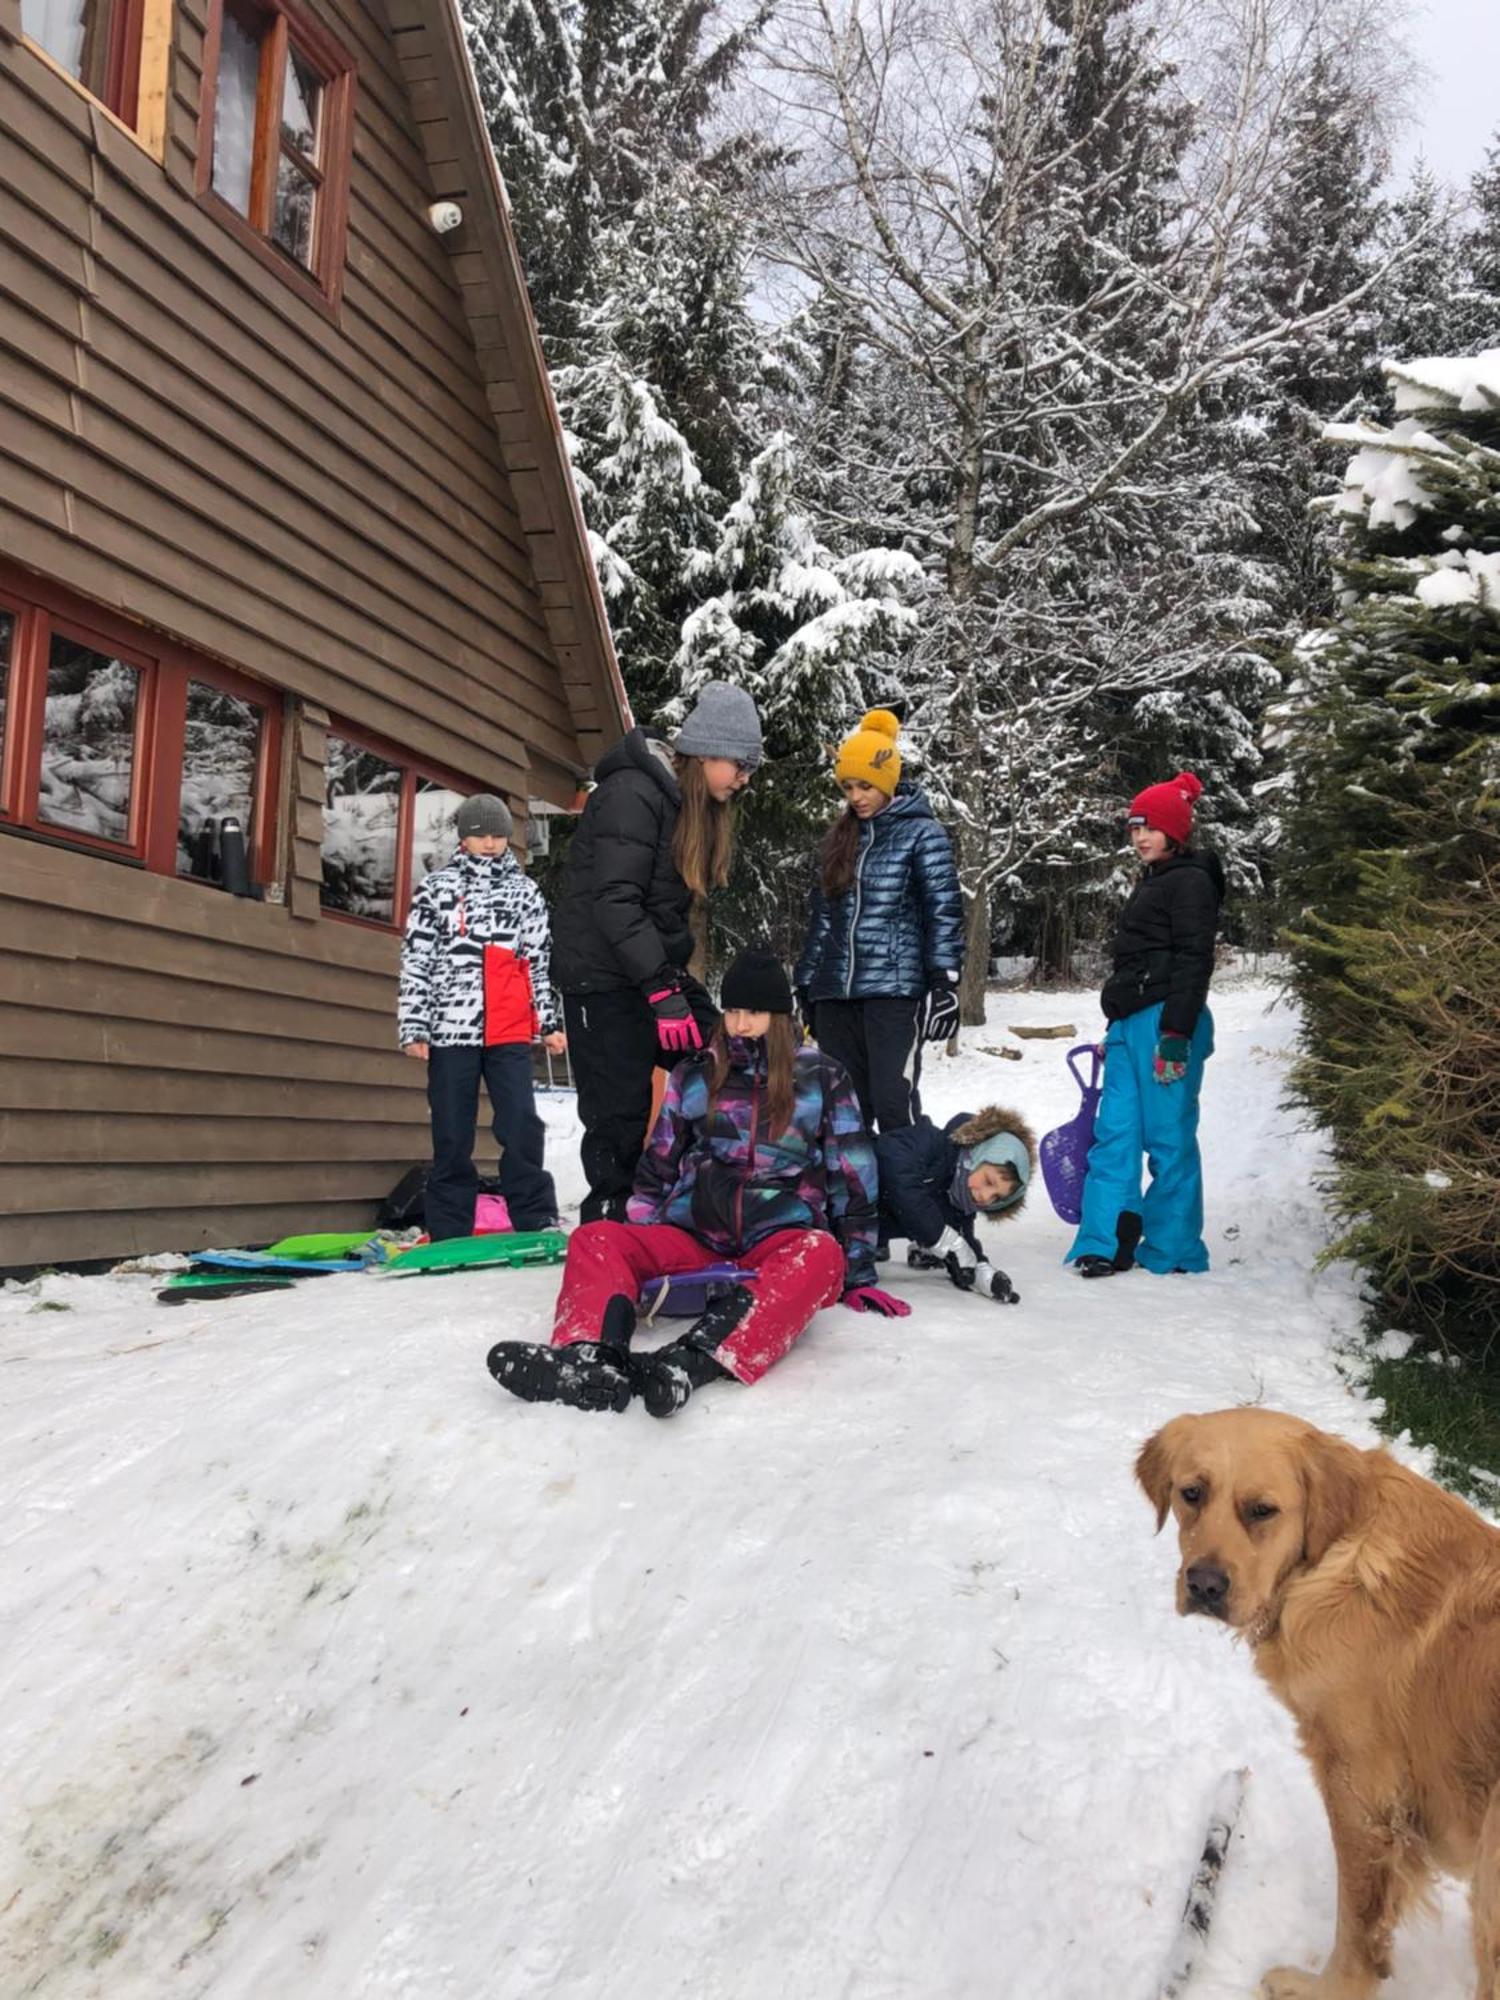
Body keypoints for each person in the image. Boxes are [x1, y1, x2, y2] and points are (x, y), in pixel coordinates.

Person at [485, 949, 908, 1419]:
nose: (741, 1024)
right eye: (732, 1012)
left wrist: (859, 1271)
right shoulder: (696, 1074)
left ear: (781, 1018)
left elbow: (853, 1176)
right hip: (697, 1234)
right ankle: (588, 1361)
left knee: (821, 1255)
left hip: (778, 1239)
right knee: (596, 1237)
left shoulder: (822, 1077)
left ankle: (694, 1361)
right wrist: (643, 1235)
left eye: (754, 1013)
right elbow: (660, 1161)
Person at [551, 682, 763, 1224]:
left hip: (648, 973)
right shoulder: (631, 794)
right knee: (618, 1115)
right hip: (600, 979)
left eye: (749, 769)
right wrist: (663, 991)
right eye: (738, 765)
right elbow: (615, 901)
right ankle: (608, 1225)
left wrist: (669, 987)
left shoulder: (680, 804)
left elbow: (659, 916)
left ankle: (713, 1194)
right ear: (706, 752)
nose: (743, 779)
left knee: (721, 1055)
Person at [1066, 771, 1224, 1279]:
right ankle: (1106, 1241)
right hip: (1130, 1026)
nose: (1139, 837)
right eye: (1135, 828)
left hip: (1167, 1025)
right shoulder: (1155, 880)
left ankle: (1172, 1247)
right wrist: (1117, 1029)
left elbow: (1194, 960)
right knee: (1114, 1133)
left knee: (1167, 1137)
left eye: (1150, 828)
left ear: (1176, 829)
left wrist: (1175, 1035)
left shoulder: (1194, 881)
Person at [398, 794, 567, 1240]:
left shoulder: (525, 892)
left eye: (497, 836)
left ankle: (535, 1216)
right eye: (480, 835)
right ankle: (449, 1225)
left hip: (508, 1027)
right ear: (464, 837)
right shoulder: (436, 889)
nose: (490, 843)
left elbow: (538, 960)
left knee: (520, 1124)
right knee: (452, 1128)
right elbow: (417, 961)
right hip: (451, 1029)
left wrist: (548, 1023)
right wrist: (414, 1026)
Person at [794, 709, 963, 1138]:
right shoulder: (839, 840)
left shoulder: (923, 834)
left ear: (887, 781)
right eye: (848, 786)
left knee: (893, 1101)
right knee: (842, 1110)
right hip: (835, 994)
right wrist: (807, 983)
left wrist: (944, 983)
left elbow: (941, 910)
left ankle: (904, 1197)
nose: (856, 796)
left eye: (865, 785)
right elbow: (823, 918)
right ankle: (854, 1201)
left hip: (893, 990)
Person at [877, 1107, 1034, 1304]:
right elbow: (894, 1164)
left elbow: (962, 1245)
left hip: (863, 1234)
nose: (985, 1197)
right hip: (844, 1200)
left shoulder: (960, 1205)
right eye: (988, 1181)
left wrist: (982, 1276)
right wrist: (940, 1236)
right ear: (976, 1156)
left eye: (996, 1197)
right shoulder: (933, 1144)